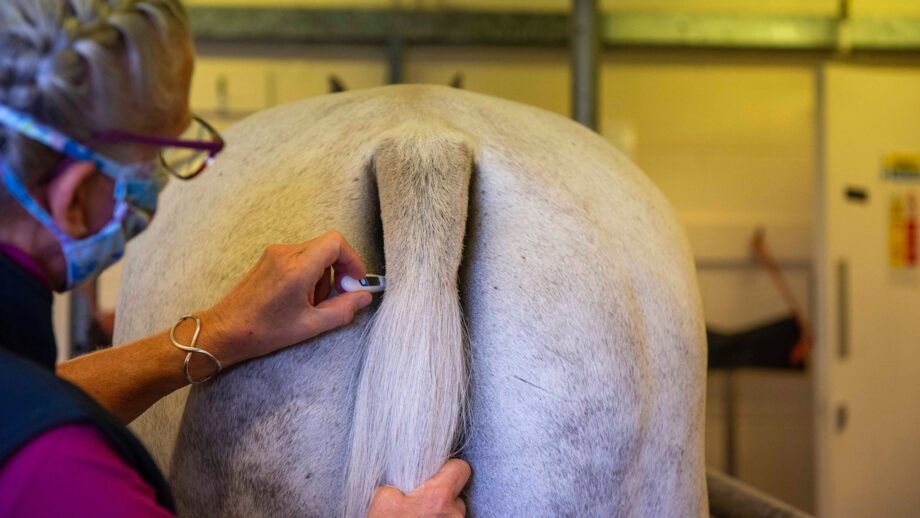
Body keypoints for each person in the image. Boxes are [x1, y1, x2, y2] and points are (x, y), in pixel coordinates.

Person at [0, 1, 470, 516]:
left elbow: (28, 394)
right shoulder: (66, 471)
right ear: (72, 199)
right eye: (153, 161)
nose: (156, 187)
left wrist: (219, 330)